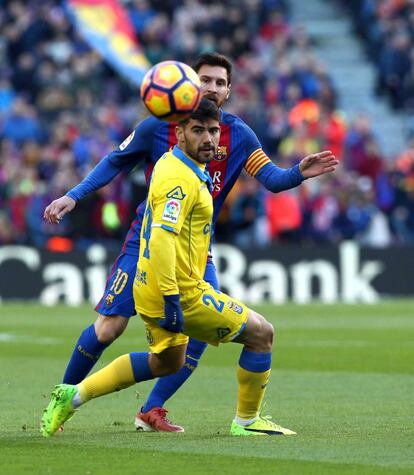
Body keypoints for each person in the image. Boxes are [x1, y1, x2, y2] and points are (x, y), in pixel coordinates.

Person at [44, 52, 338, 432]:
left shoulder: (237, 135)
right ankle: (64, 395)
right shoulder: (159, 128)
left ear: (229, 90)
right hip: (147, 242)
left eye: (220, 82)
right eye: (205, 80)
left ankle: (151, 409)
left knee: (197, 338)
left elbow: (273, 180)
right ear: (187, 84)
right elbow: (115, 162)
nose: (212, 87)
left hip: (197, 250)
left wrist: (298, 171)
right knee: (108, 329)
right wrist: (74, 195)